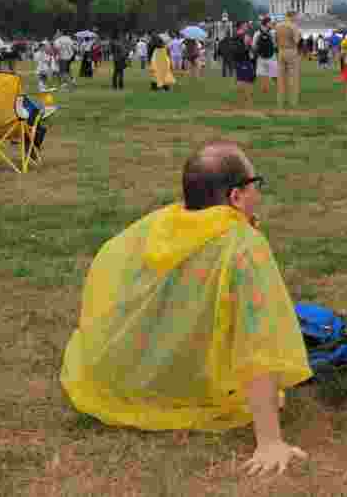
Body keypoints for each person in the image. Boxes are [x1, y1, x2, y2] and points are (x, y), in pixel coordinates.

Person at [60, 141, 312, 476]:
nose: (259, 193)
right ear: (236, 197)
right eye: (256, 185)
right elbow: (259, 341)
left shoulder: (160, 223)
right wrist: (269, 441)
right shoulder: (243, 248)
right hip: (190, 389)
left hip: (123, 378)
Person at [274, 11, 302, 109]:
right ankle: (292, 101)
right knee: (293, 77)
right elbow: (296, 40)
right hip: (291, 51)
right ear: (292, 16)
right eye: (295, 17)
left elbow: (275, 40)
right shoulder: (293, 26)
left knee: (281, 78)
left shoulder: (278, 26)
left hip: (281, 51)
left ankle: (280, 101)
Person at [232, 21, 256, 106]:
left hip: (237, 60)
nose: (247, 27)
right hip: (245, 59)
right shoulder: (245, 36)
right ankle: (247, 99)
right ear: (241, 26)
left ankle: (240, 100)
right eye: (245, 26)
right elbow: (251, 47)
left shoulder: (234, 36)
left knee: (240, 79)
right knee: (247, 80)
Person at [253, 16, 278, 95]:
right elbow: (275, 44)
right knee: (274, 75)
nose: (271, 24)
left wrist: (257, 52)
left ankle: (265, 89)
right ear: (267, 23)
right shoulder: (273, 32)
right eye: (270, 22)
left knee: (262, 74)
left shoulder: (257, 33)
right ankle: (279, 87)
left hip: (261, 56)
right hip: (271, 55)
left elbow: (254, 45)